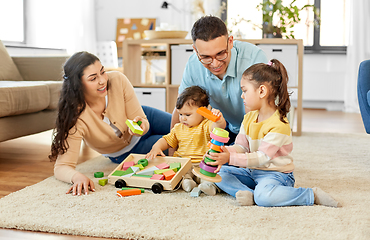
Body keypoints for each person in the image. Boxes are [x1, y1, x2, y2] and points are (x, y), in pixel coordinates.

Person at [204, 59, 341, 208]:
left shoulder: (279, 124)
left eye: (245, 91)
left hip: (276, 174)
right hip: (252, 171)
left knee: (265, 198)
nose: (242, 96)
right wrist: (222, 152)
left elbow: (262, 158)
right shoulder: (249, 117)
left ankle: (310, 194)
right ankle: (249, 193)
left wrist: (230, 158)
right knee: (220, 173)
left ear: (262, 91)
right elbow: (241, 147)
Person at [49, 51, 171, 196]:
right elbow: (62, 166)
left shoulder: (117, 80)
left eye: (103, 72)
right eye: (93, 78)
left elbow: (142, 119)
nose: (102, 80)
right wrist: (77, 177)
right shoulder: (76, 117)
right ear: (78, 85)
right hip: (127, 151)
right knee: (182, 142)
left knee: (185, 124)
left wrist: (142, 126)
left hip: (147, 117)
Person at [171, 15, 268, 145]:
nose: (215, 64)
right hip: (221, 126)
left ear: (230, 42)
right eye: (206, 57)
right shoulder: (193, 64)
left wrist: (240, 150)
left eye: (221, 54)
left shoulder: (254, 58)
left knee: (229, 162)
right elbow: (181, 107)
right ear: (195, 50)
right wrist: (173, 151)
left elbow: (263, 112)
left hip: (254, 130)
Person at [146, 86, 226, 193]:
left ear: (203, 111)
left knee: (208, 175)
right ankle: (187, 182)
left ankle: (207, 185)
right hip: (183, 163)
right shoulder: (178, 128)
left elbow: (218, 128)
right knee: (180, 174)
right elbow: (166, 140)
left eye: (188, 115)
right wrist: (156, 147)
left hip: (202, 163)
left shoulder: (206, 125)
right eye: (180, 114)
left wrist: (218, 119)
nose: (183, 118)